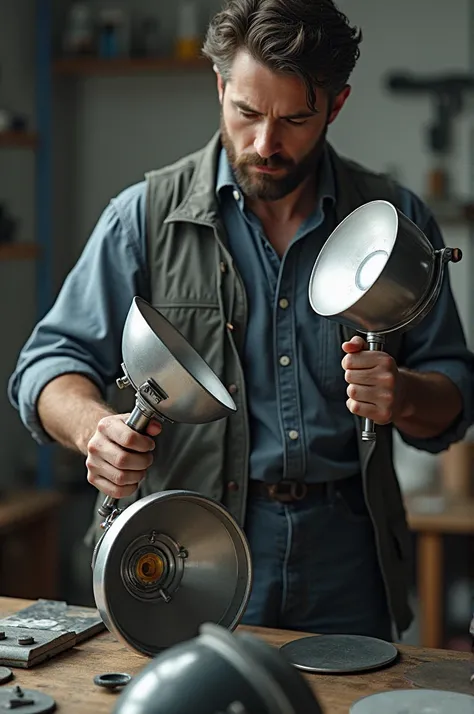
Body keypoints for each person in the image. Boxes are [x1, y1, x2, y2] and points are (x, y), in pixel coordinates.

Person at [8, 0, 473, 641]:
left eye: (294, 119)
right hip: (186, 545)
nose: (264, 144)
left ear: (335, 106)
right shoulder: (142, 217)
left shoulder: (394, 219)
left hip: (347, 554)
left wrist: (405, 394)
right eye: (247, 112)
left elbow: (454, 392)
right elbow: (46, 366)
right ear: (222, 87)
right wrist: (95, 429)